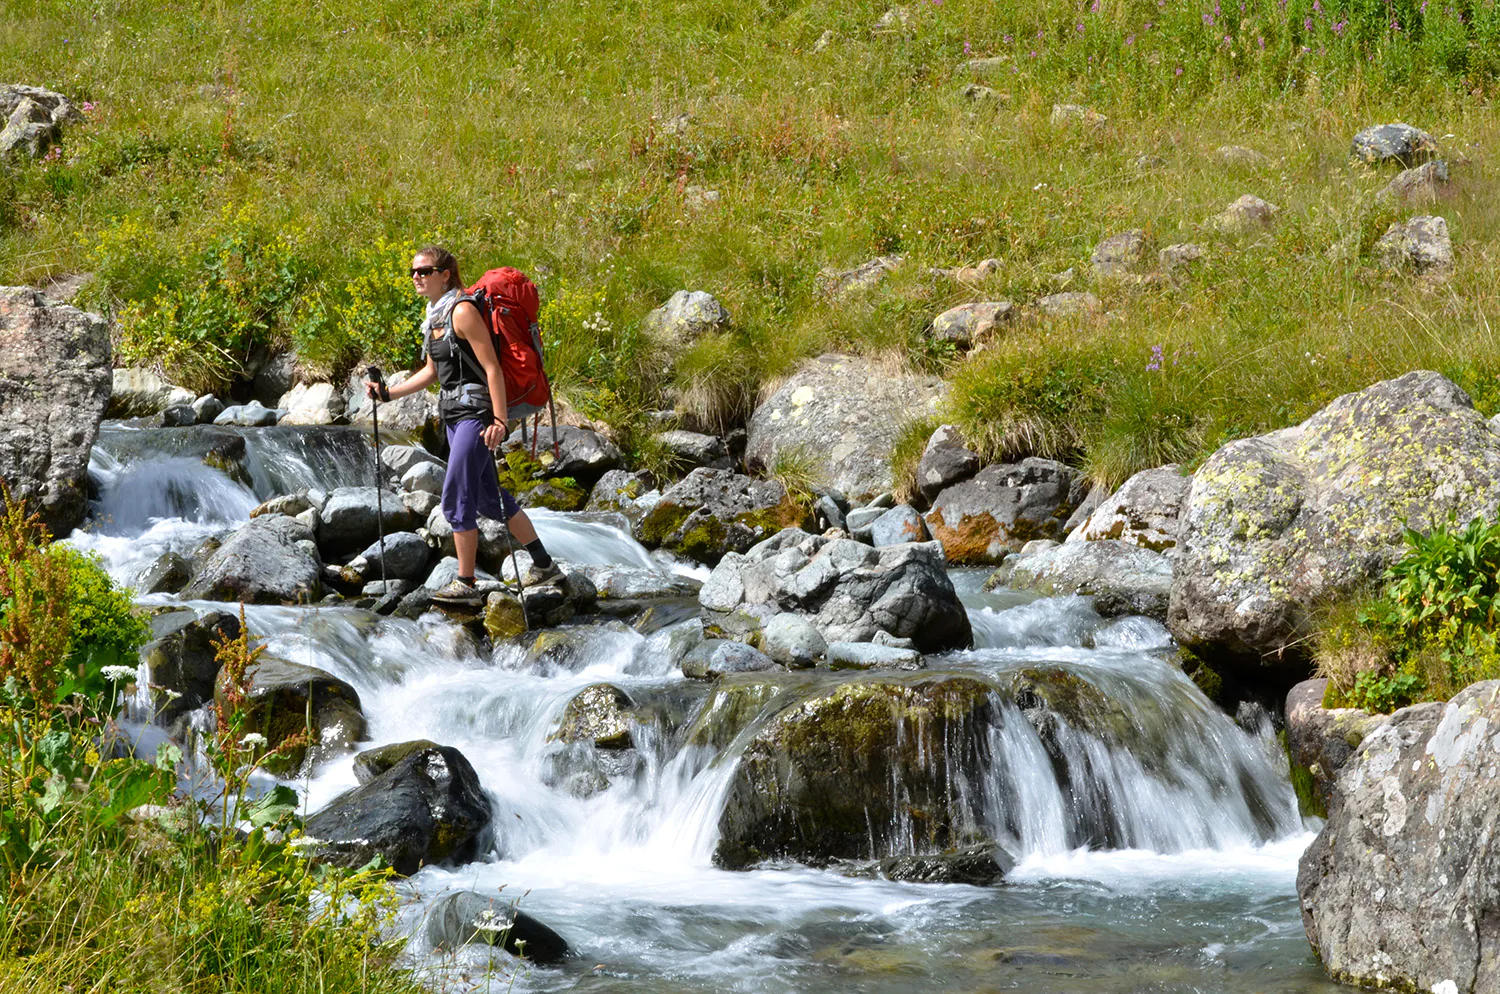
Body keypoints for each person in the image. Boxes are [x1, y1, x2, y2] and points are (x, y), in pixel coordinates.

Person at [365, 246, 562, 604]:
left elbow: (492, 369)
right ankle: (545, 564)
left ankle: (466, 584)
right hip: (454, 416)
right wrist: (389, 394)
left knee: (455, 498)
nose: (416, 277)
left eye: (424, 271)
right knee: (489, 499)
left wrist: (500, 420)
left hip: (476, 415)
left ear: (445, 275)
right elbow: (431, 372)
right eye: (413, 271)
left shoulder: (463, 311)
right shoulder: (434, 318)